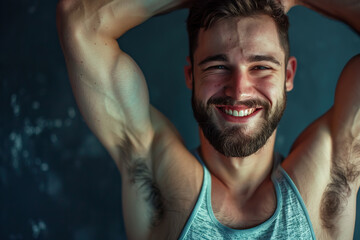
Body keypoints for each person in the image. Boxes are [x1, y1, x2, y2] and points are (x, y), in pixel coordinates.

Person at [56, 0, 360, 238]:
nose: (238, 90)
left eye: (261, 67)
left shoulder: (329, 178)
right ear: (191, 75)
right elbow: (79, 22)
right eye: (217, 67)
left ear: (288, 75)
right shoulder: (156, 174)